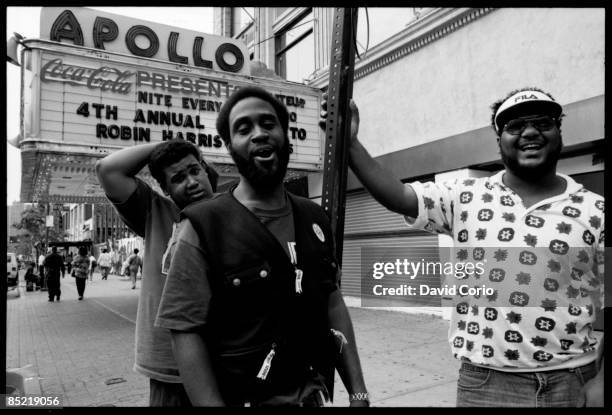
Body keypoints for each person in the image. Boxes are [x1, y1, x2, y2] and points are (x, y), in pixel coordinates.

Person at [322, 87, 604, 407]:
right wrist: (350, 144)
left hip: (572, 381)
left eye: (543, 122)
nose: (529, 132)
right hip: (487, 385)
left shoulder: (595, 210)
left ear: (558, 131)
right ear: (499, 139)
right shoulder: (465, 196)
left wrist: (604, 380)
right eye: (514, 126)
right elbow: (399, 196)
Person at [155, 86, 368, 407]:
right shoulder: (200, 227)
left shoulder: (314, 218)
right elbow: (185, 333)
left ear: (286, 134)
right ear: (229, 147)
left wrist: (359, 393)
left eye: (268, 124)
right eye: (243, 128)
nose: (258, 134)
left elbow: (332, 305)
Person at [95, 140, 218, 407]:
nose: (192, 182)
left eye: (195, 170)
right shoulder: (155, 211)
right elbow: (107, 169)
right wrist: (170, 145)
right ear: (166, 188)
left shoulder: (233, 213)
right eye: (178, 178)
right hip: (170, 367)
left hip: (225, 360)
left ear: (206, 170)